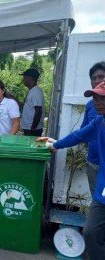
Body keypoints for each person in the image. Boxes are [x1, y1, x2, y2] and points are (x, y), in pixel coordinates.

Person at [40, 81, 105, 260]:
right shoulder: (99, 122)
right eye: (95, 98)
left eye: (102, 98)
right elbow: (79, 135)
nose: (97, 102)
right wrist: (55, 145)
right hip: (102, 193)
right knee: (91, 233)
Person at [82, 62, 105, 196]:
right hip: (92, 164)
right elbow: (83, 133)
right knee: (97, 200)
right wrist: (57, 143)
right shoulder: (91, 105)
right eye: (93, 78)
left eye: (101, 77)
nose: (97, 80)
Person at [21, 68, 45, 136]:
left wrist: (33, 128)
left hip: (32, 129)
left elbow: (38, 111)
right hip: (29, 127)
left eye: (24, 77)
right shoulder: (32, 91)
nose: (23, 80)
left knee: (31, 145)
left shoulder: (36, 92)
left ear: (30, 78)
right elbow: (25, 107)